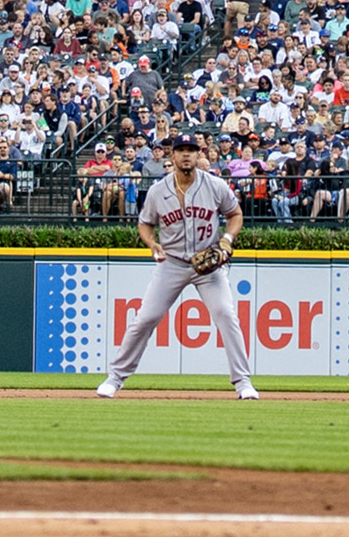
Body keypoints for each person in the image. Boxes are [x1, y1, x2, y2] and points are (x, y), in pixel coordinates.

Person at [95, 125, 258, 400]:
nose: (186, 156)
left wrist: (228, 239)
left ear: (198, 155)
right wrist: (151, 244)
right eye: (181, 150)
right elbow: (145, 223)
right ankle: (115, 378)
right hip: (172, 262)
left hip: (208, 265)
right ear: (173, 155)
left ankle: (243, 383)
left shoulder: (214, 184)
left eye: (190, 151)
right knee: (145, 318)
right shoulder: (159, 190)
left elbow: (235, 214)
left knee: (227, 315)